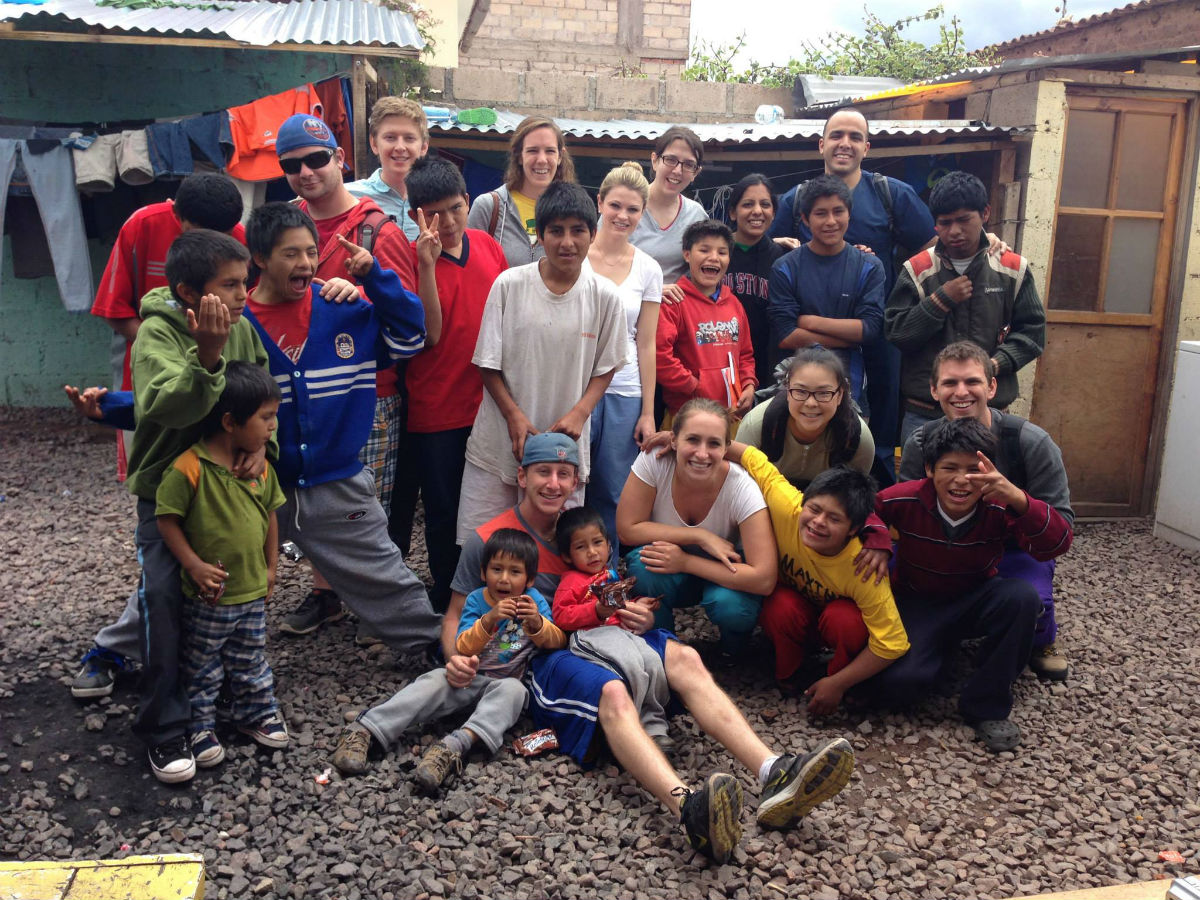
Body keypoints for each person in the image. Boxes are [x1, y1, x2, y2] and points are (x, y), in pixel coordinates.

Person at [445, 435, 856, 866]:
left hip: (607, 636)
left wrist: (635, 615)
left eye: (563, 474)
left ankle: (774, 771)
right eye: (543, 473)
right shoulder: (491, 540)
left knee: (686, 656)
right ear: (521, 476)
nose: (553, 483)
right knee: (613, 692)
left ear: (576, 481)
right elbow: (455, 613)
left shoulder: (582, 529)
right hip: (548, 654)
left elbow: (612, 589)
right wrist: (454, 657)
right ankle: (689, 809)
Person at [239, 202, 441, 660]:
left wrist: (375, 279)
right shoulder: (239, 324)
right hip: (258, 482)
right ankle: (131, 649)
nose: (306, 264)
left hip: (338, 481)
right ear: (259, 257)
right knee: (213, 567)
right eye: (291, 254)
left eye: (312, 252)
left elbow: (413, 335)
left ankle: (435, 651)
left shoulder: (344, 308)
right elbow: (205, 395)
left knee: (384, 575)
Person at [118, 229, 271, 783]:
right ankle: (165, 727)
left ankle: (224, 706)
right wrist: (206, 355)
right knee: (164, 601)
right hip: (170, 497)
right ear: (187, 292)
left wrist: (262, 449)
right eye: (228, 286)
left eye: (243, 284)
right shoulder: (157, 334)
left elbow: (263, 397)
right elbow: (164, 409)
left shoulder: (244, 330)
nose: (240, 297)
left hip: (228, 491)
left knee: (230, 595)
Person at [270, 113, 427, 637]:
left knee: (360, 505)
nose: (306, 173)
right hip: (297, 389)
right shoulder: (282, 222)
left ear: (340, 159)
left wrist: (364, 290)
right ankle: (327, 595)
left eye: (316, 159)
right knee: (305, 495)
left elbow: (408, 318)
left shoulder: (375, 228)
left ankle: (373, 605)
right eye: (292, 165)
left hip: (366, 391)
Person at [872, 417, 1073, 752]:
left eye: (973, 470)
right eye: (949, 467)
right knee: (899, 689)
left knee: (1022, 598)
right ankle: (942, 654)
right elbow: (868, 511)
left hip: (976, 596)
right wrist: (877, 540)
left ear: (988, 472)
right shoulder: (905, 498)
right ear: (929, 469)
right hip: (919, 601)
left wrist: (1020, 499)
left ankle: (987, 705)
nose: (962, 480)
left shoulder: (999, 505)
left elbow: (1057, 543)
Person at [769, 109, 937, 487]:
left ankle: (872, 494)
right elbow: (771, 247)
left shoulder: (892, 194)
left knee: (878, 415)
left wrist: (986, 243)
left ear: (867, 147)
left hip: (877, 328)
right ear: (822, 144)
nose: (845, 143)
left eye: (855, 137)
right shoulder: (797, 199)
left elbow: (931, 247)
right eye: (837, 135)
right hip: (807, 336)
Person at [331, 529, 565, 792]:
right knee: (432, 680)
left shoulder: (533, 603)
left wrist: (537, 623)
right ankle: (367, 729)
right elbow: (463, 645)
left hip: (503, 684)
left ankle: (453, 747)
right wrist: (489, 620)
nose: (504, 579)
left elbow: (557, 641)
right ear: (483, 572)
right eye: (497, 569)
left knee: (516, 692)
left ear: (530, 579)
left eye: (515, 572)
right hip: (468, 677)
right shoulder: (478, 599)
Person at [457, 182, 627, 542]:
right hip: (498, 442)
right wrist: (513, 414)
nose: (567, 242)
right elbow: (488, 362)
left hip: (561, 451)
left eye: (578, 230)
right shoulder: (509, 285)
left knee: (552, 550)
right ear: (539, 235)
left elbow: (607, 364)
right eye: (556, 231)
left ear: (593, 234)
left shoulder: (605, 296)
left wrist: (581, 412)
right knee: (482, 547)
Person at [899, 341, 1074, 681]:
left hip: (1012, 550)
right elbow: (907, 510)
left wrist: (1016, 498)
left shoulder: (1031, 443)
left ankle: (1042, 636)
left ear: (992, 387)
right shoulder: (920, 443)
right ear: (934, 390)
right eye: (950, 383)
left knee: (1031, 604)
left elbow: (1061, 527)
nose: (961, 392)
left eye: (972, 382)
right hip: (945, 544)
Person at [156, 362, 289, 769]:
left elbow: (270, 516)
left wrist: (271, 568)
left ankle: (256, 713)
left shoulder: (259, 467)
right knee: (202, 663)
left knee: (251, 658)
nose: (272, 427)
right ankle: (200, 725)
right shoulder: (188, 468)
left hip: (250, 590)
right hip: (209, 596)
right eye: (265, 418)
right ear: (230, 421)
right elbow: (167, 520)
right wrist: (194, 565)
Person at [392, 156, 508, 611]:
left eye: (456, 208)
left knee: (486, 506)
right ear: (416, 213)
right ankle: (446, 595)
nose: (448, 222)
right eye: (434, 214)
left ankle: (485, 591)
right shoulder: (407, 257)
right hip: (436, 408)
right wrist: (426, 266)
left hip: (487, 401)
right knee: (442, 509)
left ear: (468, 202)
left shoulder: (486, 245)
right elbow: (431, 334)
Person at [723, 443, 907, 710]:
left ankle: (836, 679)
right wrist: (677, 438)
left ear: (854, 528)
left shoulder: (864, 565)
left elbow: (893, 643)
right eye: (814, 509)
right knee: (778, 603)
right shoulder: (788, 507)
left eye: (834, 519)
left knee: (846, 619)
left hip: (834, 626)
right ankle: (790, 672)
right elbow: (753, 458)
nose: (818, 522)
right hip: (796, 613)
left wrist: (840, 682)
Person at [886, 171, 1046, 443]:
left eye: (964, 220)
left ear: (985, 214)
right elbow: (896, 333)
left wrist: (992, 366)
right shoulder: (917, 270)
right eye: (945, 223)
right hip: (925, 413)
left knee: (988, 484)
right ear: (934, 225)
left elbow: (1033, 334)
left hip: (991, 413)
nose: (955, 231)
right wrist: (939, 301)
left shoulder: (1011, 269)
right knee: (919, 485)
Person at [618, 399, 777, 658]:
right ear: (673, 440)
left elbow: (764, 578)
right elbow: (627, 528)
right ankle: (664, 648)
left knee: (730, 607)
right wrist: (698, 535)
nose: (702, 453)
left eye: (714, 443)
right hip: (673, 572)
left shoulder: (742, 487)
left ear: (727, 447)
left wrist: (686, 562)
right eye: (692, 440)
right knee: (644, 566)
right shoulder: (654, 461)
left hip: (726, 574)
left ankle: (733, 651)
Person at [585, 162, 664, 552]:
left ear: (642, 213)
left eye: (633, 210)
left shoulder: (648, 269)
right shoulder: (573, 256)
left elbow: (645, 342)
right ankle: (560, 577)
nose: (622, 216)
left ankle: (607, 577)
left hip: (624, 389)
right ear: (599, 202)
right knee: (567, 484)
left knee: (614, 488)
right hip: (576, 388)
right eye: (615, 205)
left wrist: (648, 411)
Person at [552, 507, 671, 748]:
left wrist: (638, 604)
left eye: (597, 543)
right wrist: (594, 611)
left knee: (652, 661)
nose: (592, 552)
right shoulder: (571, 581)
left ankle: (655, 724)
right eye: (581, 547)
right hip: (591, 635)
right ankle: (634, 728)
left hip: (619, 632)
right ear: (566, 555)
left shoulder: (611, 575)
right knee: (631, 665)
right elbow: (561, 616)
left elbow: (621, 604)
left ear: (608, 545)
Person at [769, 175, 885, 406]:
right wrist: (848, 339)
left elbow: (870, 329)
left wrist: (808, 321)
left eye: (838, 211)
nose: (831, 221)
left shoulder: (869, 266)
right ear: (805, 218)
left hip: (849, 387)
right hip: (794, 388)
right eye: (821, 213)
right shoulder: (785, 267)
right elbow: (785, 335)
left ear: (849, 214)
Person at [655, 220, 758, 425]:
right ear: (687, 254)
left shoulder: (734, 305)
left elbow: (745, 354)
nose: (714, 257)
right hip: (686, 416)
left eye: (722, 252)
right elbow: (659, 355)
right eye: (704, 250)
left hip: (731, 416)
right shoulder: (673, 302)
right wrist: (693, 385)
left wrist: (748, 384)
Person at [735, 347, 875, 489]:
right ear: (787, 391)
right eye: (801, 391)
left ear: (839, 395)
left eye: (823, 393)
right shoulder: (757, 424)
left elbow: (853, 498)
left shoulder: (858, 439)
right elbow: (739, 488)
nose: (811, 403)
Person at [467, 116, 578, 267]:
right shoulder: (489, 207)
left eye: (550, 151)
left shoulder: (574, 210)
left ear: (560, 156)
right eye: (533, 150)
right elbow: (469, 268)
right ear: (518, 155)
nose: (542, 160)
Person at [723, 174, 789, 390]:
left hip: (766, 364)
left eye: (765, 204)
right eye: (748, 204)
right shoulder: (715, 254)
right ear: (733, 212)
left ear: (774, 213)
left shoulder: (783, 258)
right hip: (718, 360)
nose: (757, 211)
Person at [632, 126, 709, 283]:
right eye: (671, 160)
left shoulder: (697, 216)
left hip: (675, 306)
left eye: (688, 164)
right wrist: (652, 293)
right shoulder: (625, 206)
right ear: (655, 160)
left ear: (696, 172)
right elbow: (599, 261)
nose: (677, 170)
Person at [345, 96, 429, 240]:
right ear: (374, 144)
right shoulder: (349, 198)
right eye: (390, 137)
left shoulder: (435, 201)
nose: (400, 147)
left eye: (409, 138)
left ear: (423, 147)